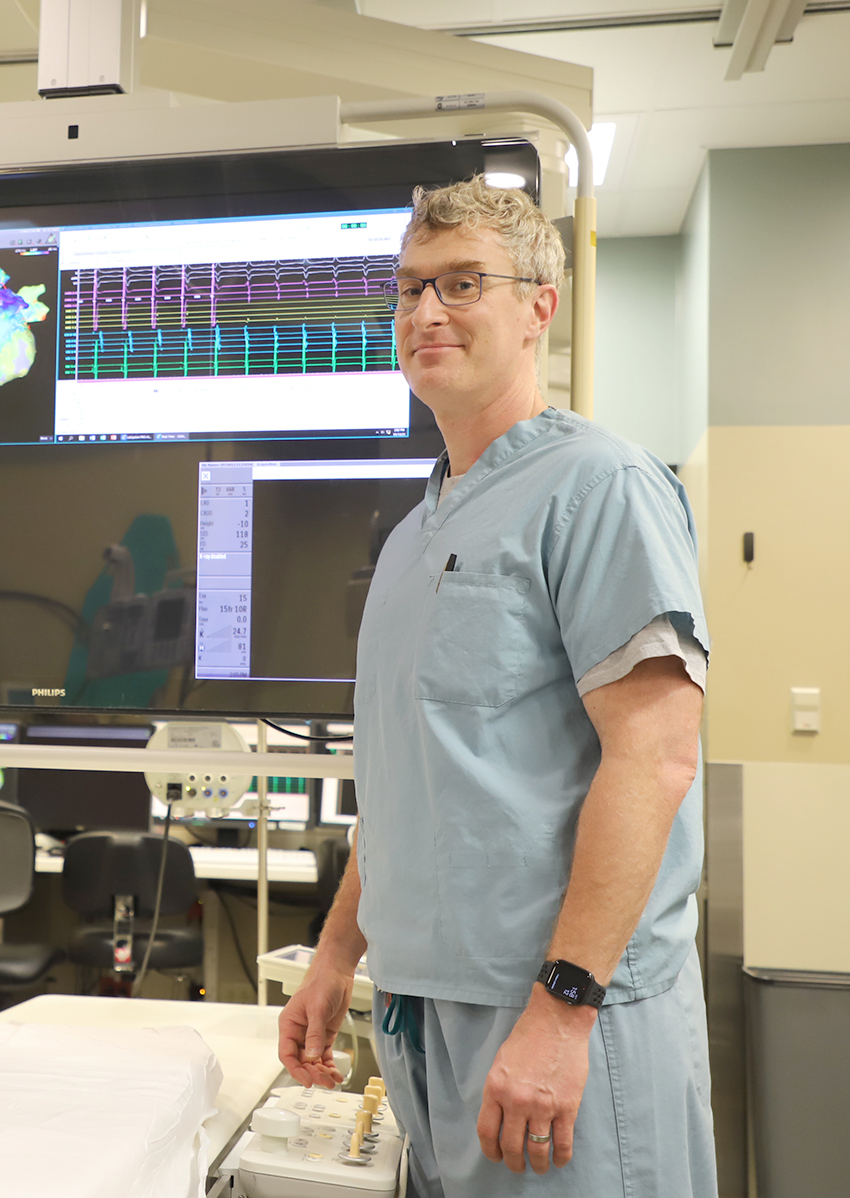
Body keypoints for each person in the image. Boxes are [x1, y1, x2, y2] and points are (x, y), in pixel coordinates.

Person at [278, 177, 717, 1195]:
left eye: (462, 283)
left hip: (563, 1013)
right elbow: (408, 784)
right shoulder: (409, 539)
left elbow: (654, 758)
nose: (427, 312)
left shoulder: (600, 487)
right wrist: (338, 953)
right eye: (410, 288)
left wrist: (563, 1011)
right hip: (426, 1013)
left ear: (538, 307)